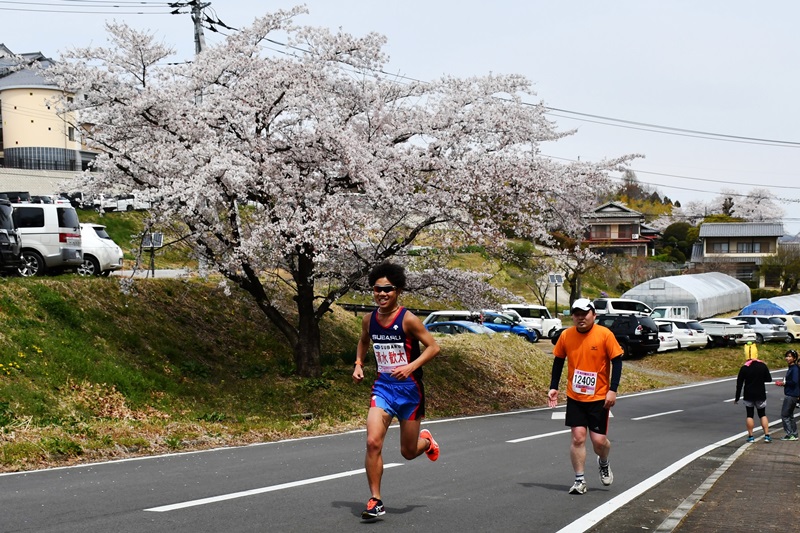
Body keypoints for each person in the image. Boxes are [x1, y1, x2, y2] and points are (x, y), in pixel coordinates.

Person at [352, 262, 441, 520]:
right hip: (383, 388)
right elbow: (363, 340)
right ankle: (375, 500)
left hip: (410, 391)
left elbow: (434, 347)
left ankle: (427, 442)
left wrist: (410, 366)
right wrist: (358, 364)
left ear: (398, 290)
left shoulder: (408, 319)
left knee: (408, 452)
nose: (382, 294)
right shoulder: (369, 319)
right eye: (377, 289)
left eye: (387, 289)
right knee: (372, 442)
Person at [548, 298, 623, 495]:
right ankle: (579, 480)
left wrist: (612, 389)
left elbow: (617, 360)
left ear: (594, 315)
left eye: (585, 313)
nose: (581, 317)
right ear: (572, 316)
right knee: (578, 438)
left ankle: (603, 461)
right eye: (577, 314)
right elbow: (558, 361)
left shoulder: (604, 334)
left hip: (599, 397)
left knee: (599, 442)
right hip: (575, 396)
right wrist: (553, 387)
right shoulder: (566, 335)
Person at [734, 345, 773, 443]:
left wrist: (737, 398)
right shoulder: (762, 366)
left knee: (749, 415)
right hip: (760, 394)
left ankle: (751, 436)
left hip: (748, 394)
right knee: (762, 414)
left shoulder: (744, 368)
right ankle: (767, 435)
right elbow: (769, 379)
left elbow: (739, 384)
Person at [773, 349, 799, 441]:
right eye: (787, 356)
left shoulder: (794, 369)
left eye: (790, 356)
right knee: (790, 415)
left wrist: (784, 383)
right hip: (792, 394)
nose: (787, 358)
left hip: (791, 394)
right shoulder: (792, 368)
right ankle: (794, 434)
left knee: (785, 415)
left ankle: (790, 434)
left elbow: (795, 381)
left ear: (794, 358)